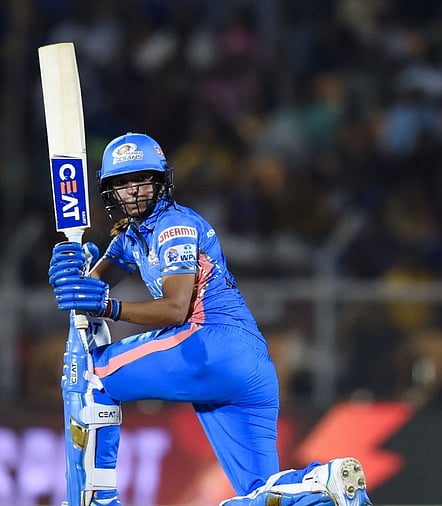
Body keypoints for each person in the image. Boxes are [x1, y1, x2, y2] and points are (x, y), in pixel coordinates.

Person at [47, 132, 371, 506]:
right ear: (110, 192)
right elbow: (89, 289)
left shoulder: (174, 227)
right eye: (122, 183)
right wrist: (72, 272)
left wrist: (108, 307)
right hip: (248, 366)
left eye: (142, 179)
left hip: (211, 344)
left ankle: (95, 499)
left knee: (91, 377)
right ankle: (321, 486)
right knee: (261, 495)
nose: (133, 191)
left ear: (161, 181)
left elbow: (174, 309)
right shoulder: (131, 237)